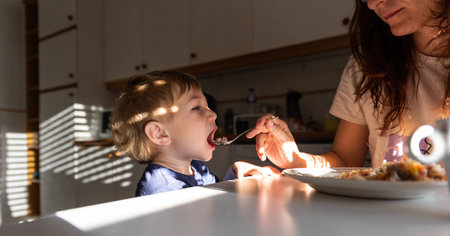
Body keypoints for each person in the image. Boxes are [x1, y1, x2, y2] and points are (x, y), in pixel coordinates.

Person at [247, 0, 449, 169]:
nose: (372, 4)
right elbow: (345, 160)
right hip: (386, 216)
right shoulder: (369, 64)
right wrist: (295, 159)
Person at [111, 71, 279, 196]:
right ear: (160, 133)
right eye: (197, 108)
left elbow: (213, 194)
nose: (213, 114)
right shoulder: (160, 189)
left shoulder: (197, 169)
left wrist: (235, 173)